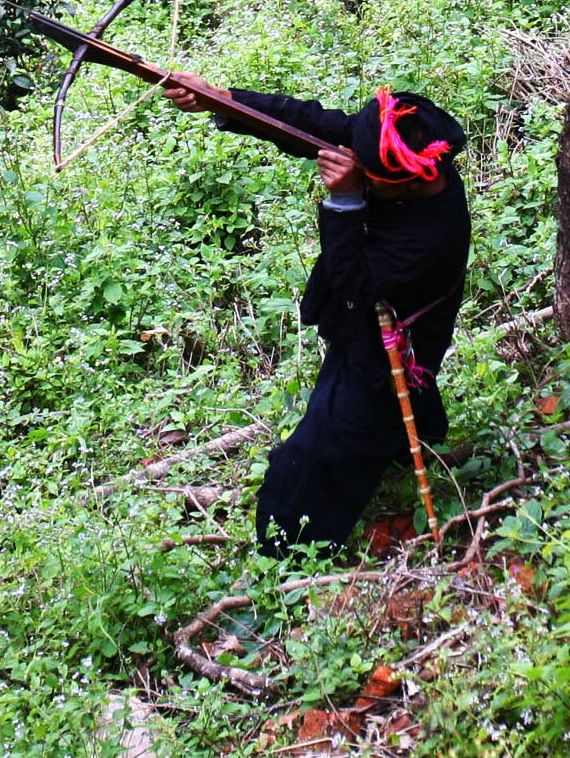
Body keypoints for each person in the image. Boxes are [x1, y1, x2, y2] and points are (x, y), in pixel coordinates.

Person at [161, 72, 471, 553]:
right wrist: (223, 100)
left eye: (369, 177)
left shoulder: (433, 235)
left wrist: (346, 199)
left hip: (391, 342)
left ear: (403, 182)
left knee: (319, 451)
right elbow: (314, 124)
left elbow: (355, 286)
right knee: (378, 412)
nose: (359, 170)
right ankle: (410, 441)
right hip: (369, 326)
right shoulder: (391, 146)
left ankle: (287, 553)